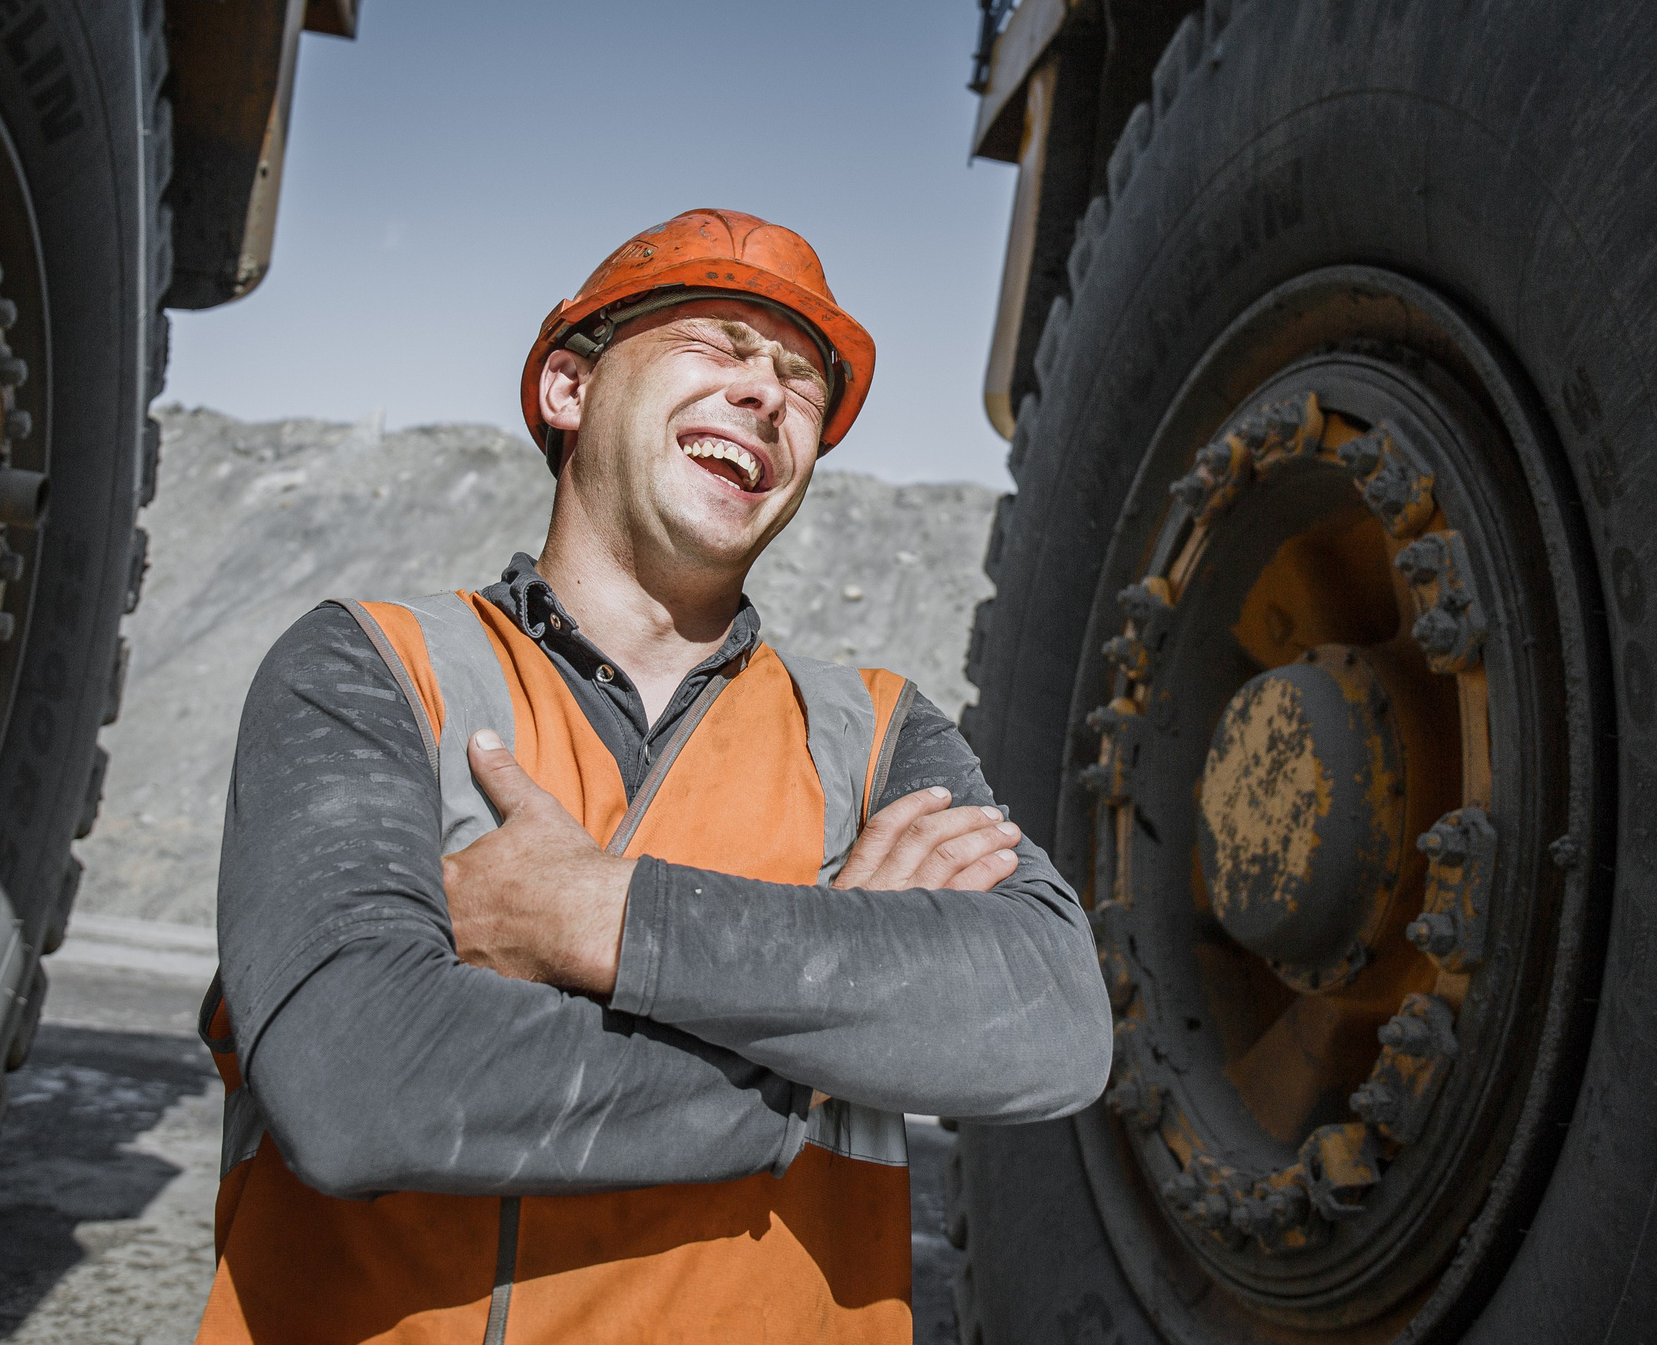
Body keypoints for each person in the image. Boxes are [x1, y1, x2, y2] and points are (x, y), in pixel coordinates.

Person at [193, 210, 1111, 1344]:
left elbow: (1050, 1018)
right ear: (567, 389)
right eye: (718, 345)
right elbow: (359, 1086)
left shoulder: (871, 734)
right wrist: (818, 1047)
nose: (767, 394)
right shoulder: (374, 670)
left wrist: (599, 916)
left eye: (800, 383)